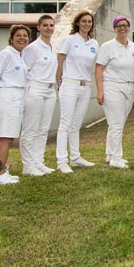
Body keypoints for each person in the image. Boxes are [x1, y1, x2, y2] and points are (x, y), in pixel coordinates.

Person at [56, 10, 98, 173]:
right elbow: (59, 63)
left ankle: (75, 157)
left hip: (85, 86)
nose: (87, 24)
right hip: (69, 84)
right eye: (84, 21)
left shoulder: (94, 43)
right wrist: (58, 84)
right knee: (65, 123)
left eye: (89, 21)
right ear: (78, 23)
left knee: (76, 124)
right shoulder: (68, 40)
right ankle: (61, 161)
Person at [0, 25, 30, 184]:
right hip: (8, 97)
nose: (22, 38)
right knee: (6, 137)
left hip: (17, 96)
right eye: (18, 35)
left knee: (4, 137)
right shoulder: (5, 54)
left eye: (25, 36)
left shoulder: (19, 55)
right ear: (11, 38)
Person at [95, 15, 134, 169]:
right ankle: (116, 158)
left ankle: (110, 153)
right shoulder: (107, 46)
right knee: (116, 123)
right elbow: (99, 69)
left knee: (117, 123)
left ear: (129, 27)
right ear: (114, 28)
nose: (122, 28)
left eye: (125, 25)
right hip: (112, 87)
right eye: (119, 26)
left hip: (129, 87)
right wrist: (100, 91)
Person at [20, 15, 57, 176]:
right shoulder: (32, 48)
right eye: (45, 25)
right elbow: (23, 72)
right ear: (39, 28)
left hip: (50, 91)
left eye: (51, 25)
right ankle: (28, 166)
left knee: (43, 129)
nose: (49, 28)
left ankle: (38, 162)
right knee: (31, 129)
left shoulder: (51, 47)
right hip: (34, 90)